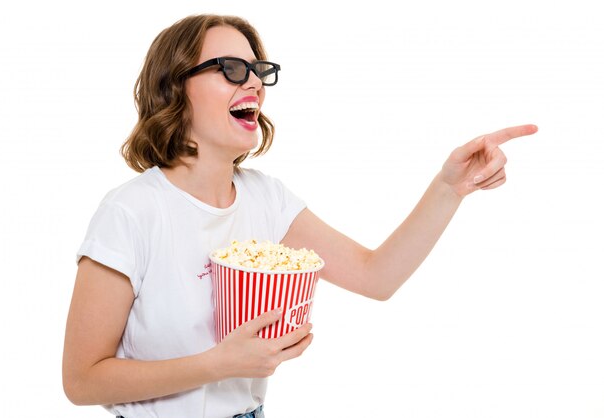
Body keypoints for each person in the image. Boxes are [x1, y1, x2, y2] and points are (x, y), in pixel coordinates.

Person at [62, 14, 538, 418]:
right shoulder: (131, 212)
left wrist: (448, 188)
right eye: (230, 68)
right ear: (173, 87)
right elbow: (82, 380)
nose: (252, 82)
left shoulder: (266, 200)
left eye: (256, 70)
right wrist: (218, 364)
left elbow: (377, 277)